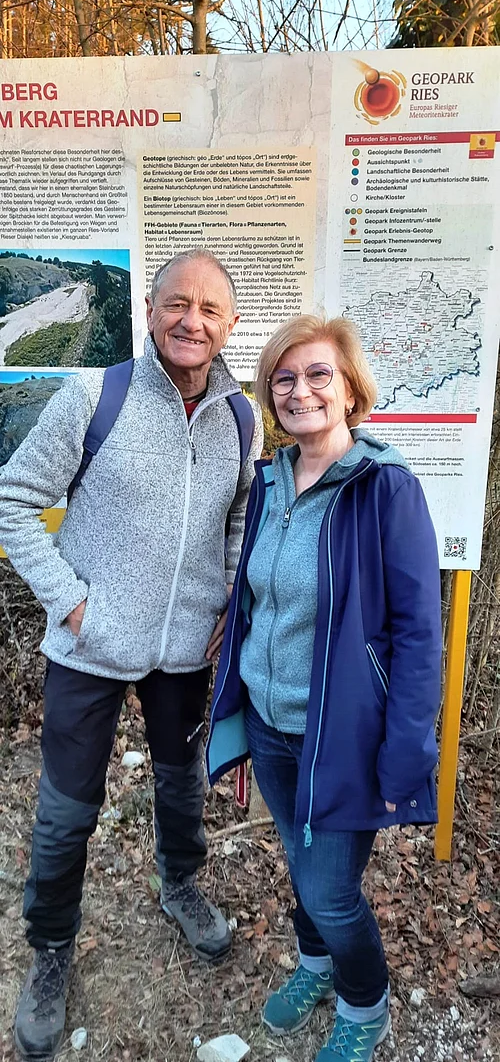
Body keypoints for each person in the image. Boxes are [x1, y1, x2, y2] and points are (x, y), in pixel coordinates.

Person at [0, 248, 263, 1061]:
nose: (192, 320)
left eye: (209, 309)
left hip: (184, 650)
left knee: (182, 782)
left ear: (230, 325)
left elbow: (235, 522)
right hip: (90, 644)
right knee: (67, 807)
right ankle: (50, 949)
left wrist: (223, 599)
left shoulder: (242, 418)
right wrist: (72, 600)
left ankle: (179, 884)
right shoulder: (93, 395)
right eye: (176, 303)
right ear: (150, 311)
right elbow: (14, 499)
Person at [207, 315, 442, 1062]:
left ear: (349, 390)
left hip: (341, 737)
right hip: (272, 725)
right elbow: (257, 602)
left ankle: (366, 1007)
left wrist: (407, 747)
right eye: (284, 377)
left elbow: (417, 633)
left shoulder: (386, 489)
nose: (300, 388)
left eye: (318, 374)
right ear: (270, 395)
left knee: (334, 891)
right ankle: (314, 964)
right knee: (298, 858)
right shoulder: (270, 481)